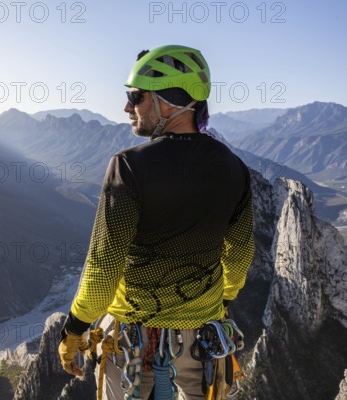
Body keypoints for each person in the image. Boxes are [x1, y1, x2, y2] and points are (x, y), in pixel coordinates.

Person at [58, 45, 255, 400]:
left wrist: (74, 329)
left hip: (131, 340)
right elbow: (238, 254)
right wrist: (222, 300)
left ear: (170, 101)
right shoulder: (234, 168)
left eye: (135, 96)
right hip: (202, 340)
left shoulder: (129, 167)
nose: (126, 107)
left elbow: (103, 268)